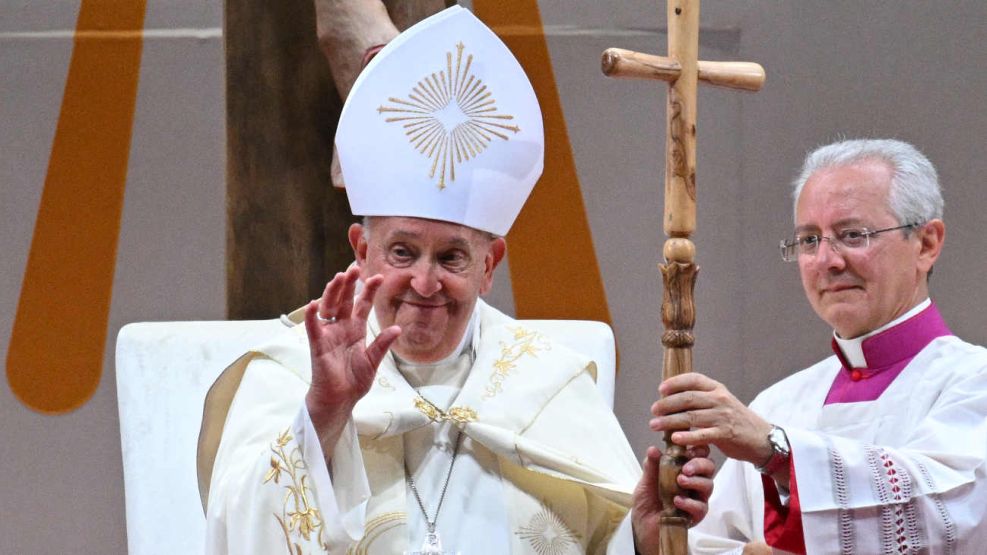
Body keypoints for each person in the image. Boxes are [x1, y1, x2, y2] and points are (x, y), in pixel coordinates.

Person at [198, 6, 714, 554]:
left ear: (490, 265)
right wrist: (323, 416)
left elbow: (599, 540)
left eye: (451, 258)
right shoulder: (288, 374)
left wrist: (640, 537)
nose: (424, 283)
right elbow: (238, 530)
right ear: (361, 249)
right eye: (402, 252)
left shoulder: (547, 387)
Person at [652, 138, 987, 554]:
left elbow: (949, 517)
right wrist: (657, 535)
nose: (828, 260)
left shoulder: (975, 383)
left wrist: (775, 452)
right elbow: (710, 545)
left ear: (926, 243)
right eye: (809, 240)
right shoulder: (777, 404)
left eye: (852, 234)